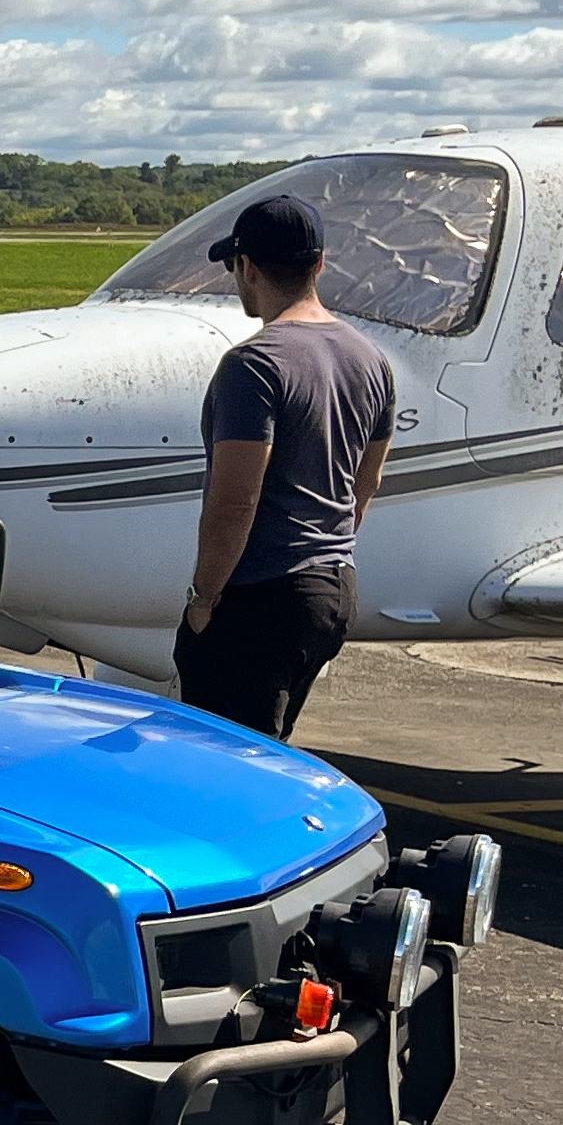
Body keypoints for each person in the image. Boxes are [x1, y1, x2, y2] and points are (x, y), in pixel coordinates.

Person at [177, 194, 395, 739]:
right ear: (318, 265)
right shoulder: (372, 360)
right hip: (332, 589)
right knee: (273, 752)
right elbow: (366, 484)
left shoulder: (253, 365)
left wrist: (203, 601)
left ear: (246, 267)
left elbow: (235, 501)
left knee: (229, 764)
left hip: (262, 600)